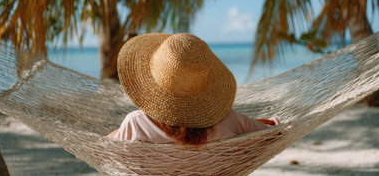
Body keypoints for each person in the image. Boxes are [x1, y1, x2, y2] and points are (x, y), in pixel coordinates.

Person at [108, 33, 280, 145]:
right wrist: (265, 121)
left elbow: (106, 145)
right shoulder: (229, 121)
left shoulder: (137, 123)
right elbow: (272, 131)